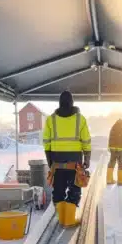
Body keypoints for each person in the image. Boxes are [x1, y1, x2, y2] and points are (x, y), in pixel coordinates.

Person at [42, 90, 91, 227]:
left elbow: (46, 142)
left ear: (59, 103)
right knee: (75, 189)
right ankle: (69, 220)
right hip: (74, 163)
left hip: (57, 163)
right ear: (72, 102)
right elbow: (86, 140)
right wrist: (87, 158)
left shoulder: (51, 120)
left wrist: (49, 160)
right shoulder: (80, 119)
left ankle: (61, 218)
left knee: (58, 190)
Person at [107, 118, 122, 185]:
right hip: (120, 147)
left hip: (112, 147)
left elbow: (110, 135)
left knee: (112, 162)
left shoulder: (115, 125)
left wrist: (109, 146)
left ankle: (109, 179)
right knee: (121, 163)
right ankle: (120, 181)